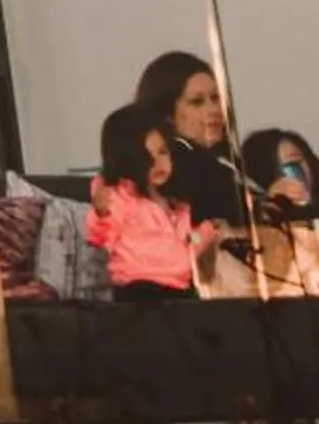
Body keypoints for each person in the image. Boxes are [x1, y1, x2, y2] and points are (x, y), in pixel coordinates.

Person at [87, 102, 225, 301]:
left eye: (163, 152)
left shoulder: (176, 204)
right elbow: (100, 237)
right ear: (126, 159)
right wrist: (101, 213)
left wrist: (206, 232)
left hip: (179, 287)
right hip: (138, 288)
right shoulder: (119, 196)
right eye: (146, 156)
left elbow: (187, 243)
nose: (158, 163)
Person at [133, 50, 249, 231]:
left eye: (216, 98)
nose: (215, 110)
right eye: (197, 102)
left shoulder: (228, 161)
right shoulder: (167, 172)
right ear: (167, 114)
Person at [239, 127, 319, 220]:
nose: (288, 178)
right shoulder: (250, 215)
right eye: (279, 168)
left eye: (294, 165)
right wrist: (271, 204)